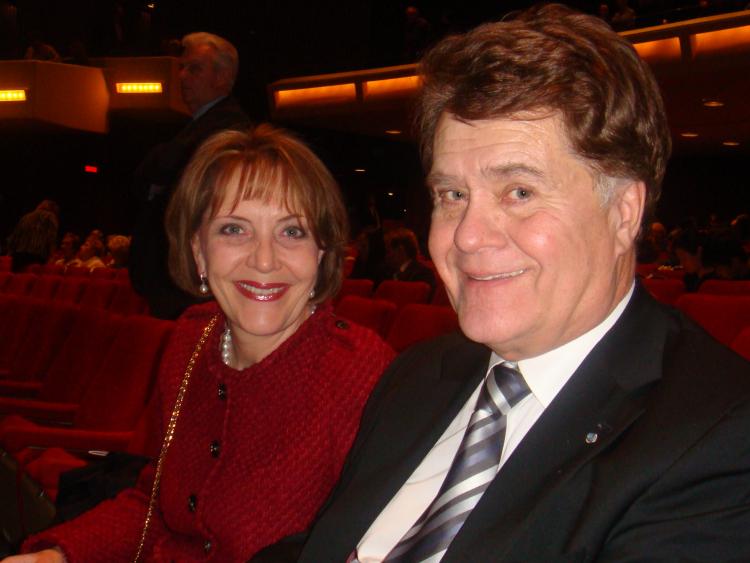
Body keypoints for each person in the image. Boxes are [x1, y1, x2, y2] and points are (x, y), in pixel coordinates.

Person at [292, 5, 750, 562]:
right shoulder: (415, 377)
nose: (466, 237)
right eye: (452, 195)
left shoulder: (718, 436)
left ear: (625, 212)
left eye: (519, 192)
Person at [11, 125, 394, 562]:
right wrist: (57, 554)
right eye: (234, 229)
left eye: (292, 232)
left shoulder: (362, 376)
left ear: (323, 253)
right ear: (198, 252)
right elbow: (158, 504)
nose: (265, 259)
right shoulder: (192, 341)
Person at [129, 31, 251, 319]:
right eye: (182, 68)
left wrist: (160, 169)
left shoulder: (228, 128)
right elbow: (146, 177)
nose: (182, 76)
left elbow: (174, 183)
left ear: (223, 77)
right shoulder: (197, 127)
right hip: (173, 280)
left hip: (190, 284)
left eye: (194, 69)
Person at [5, 200, 59, 272]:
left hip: (18, 256)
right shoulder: (51, 216)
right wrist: (51, 256)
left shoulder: (25, 217)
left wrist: (10, 253)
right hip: (37, 256)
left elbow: (14, 238)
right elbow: (51, 237)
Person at [383, 227, 436, 293]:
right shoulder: (386, 273)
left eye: (388, 251)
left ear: (400, 251)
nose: (386, 256)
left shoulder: (423, 274)